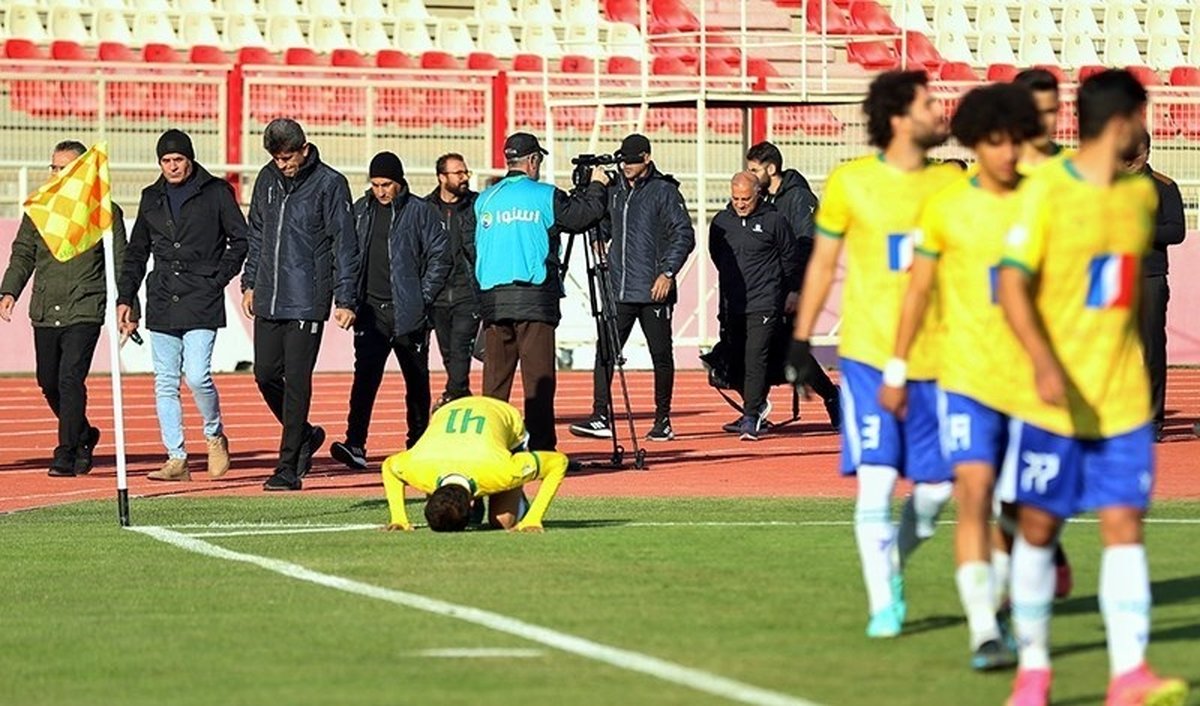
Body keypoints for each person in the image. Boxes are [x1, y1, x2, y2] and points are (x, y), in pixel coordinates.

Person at [997, 69, 1187, 706]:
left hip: (1121, 398)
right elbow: (1012, 286)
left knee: (1124, 525)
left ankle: (1129, 673)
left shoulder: (1138, 199)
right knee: (1041, 528)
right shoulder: (1044, 192)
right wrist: (1044, 364)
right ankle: (1033, 672)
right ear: (1124, 118)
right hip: (1054, 398)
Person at [785, 70, 960, 638]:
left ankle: (892, 562)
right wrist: (801, 336)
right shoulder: (850, 182)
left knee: (936, 494)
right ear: (897, 119)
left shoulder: (952, 188)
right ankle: (885, 602)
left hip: (940, 359)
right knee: (878, 480)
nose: (940, 110)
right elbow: (822, 263)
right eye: (928, 103)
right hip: (866, 357)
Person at [879, 84, 1042, 670]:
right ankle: (983, 631)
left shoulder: (1043, 201)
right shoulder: (947, 208)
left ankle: (997, 600)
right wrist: (896, 369)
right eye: (993, 141)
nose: (1006, 153)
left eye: (1014, 141)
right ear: (975, 143)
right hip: (965, 377)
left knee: (1016, 507)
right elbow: (918, 291)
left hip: (1029, 381)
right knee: (967, 490)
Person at [117, 129, 249, 482]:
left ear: (189, 159)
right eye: (166, 161)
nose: (172, 167)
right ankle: (176, 457)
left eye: (178, 160)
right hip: (161, 297)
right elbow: (136, 252)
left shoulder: (217, 192)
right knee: (164, 381)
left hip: (201, 296)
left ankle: (214, 434)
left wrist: (217, 278)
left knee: (197, 375)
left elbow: (240, 239)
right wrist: (125, 298)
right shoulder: (150, 197)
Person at [241, 118, 358, 491]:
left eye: (288, 157)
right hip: (269, 295)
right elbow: (256, 232)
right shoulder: (266, 179)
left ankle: (288, 466)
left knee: (297, 383)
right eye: (276, 158)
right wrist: (249, 282)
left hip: (307, 297)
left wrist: (346, 297)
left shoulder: (330, 184)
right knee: (264, 374)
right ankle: (305, 435)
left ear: (304, 149)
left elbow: (344, 243)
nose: (283, 164)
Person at [0, 140, 129, 477]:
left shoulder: (104, 210)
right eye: (53, 167)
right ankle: (85, 434)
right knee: (49, 381)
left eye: (63, 168)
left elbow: (121, 263)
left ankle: (66, 451)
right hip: (45, 306)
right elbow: (23, 254)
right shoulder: (39, 210)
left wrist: (126, 302)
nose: (55, 173)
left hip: (84, 307)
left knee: (71, 378)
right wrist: (9, 290)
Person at [475, 132, 607, 451]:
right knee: (537, 381)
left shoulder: (485, 199)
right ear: (533, 160)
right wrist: (598, 185)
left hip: (493, 300)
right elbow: (583, 216)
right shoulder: (545, 195)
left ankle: (489, 448)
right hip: (533, 298)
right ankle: (542, 450)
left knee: (495, 383)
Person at [569, 134, 694, 442]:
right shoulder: (615, 190)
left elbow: (684, 235)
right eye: (623, 160)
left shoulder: (665, 191)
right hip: (619, 288)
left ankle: (663, 419)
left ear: (647, 158)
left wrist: (667, 273)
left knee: (661, 355)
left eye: (633, 160)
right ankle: (600, 415)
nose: (626, 165)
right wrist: (600, 236)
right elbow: (610, 223)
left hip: (654, 291)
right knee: (605, 352)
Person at [328, 152, 449, 471]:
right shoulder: (360, 211)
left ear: (400, 182)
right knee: (364, 379)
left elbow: (441, 255)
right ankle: (355, 443)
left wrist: (421, 299)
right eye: (376, 184)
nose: (381, 190)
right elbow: (345, 257)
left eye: (387, 184)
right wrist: (346, 300)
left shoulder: (421, 212)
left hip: (408, 313)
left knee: (417, 381)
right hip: (370, 311)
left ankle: (419, 443)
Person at [745, 140, 840, 431]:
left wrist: (796, 289)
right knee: (759, 347)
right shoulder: (764, 199)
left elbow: (807, 246)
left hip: (792, 287)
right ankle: (755, 407)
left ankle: (831, 395)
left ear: (771, 169)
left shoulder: (798, 198)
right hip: (770, 286)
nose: (748, 175)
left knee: (784, 346)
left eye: (753, 169)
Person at [381, 396, 569, 532]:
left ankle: (519, 498)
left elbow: (558, 462)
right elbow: (389, 466)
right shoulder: (419, 471)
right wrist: (399, 518)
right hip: (449, 413)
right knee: (455, 513)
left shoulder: (502, 470)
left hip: (502, 414)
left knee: (504, 521)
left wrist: (533, 519)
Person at [708, 172, 798, 441]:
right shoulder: (722, 222)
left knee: (755, 357)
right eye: (735, 198)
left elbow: (789, 258)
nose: (740, 204)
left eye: (745, 198)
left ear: (758, 194)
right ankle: (754, 405)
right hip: (733, 303)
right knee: (734, 360)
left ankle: (751, 416)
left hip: (764, 302)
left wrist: (791, 291)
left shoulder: (774, 220)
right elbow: (717, 256)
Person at [1122, 131, 1186, 442]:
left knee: (1150, 349)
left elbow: (1176, 231)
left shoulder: (1164, 186)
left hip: (1149, 277)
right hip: (1111, 276)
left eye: (1135, 153)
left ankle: (1152, 420)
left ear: (1147, 151)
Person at [427, 153, 480, 410]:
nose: (465, 177)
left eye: (465, 172)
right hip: (436, 295)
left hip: (467, 291)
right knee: (448, 352)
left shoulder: (478, 205)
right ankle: (462, 395)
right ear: (441, 177)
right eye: (458, 173)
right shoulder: (425, 208)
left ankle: (451, 395)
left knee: (460, 348)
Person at [1013, 69, 1065, 171]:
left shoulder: (1075, 168)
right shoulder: (993, 175)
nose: (1042, 122)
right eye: (1034, 112)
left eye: (1049, 112)